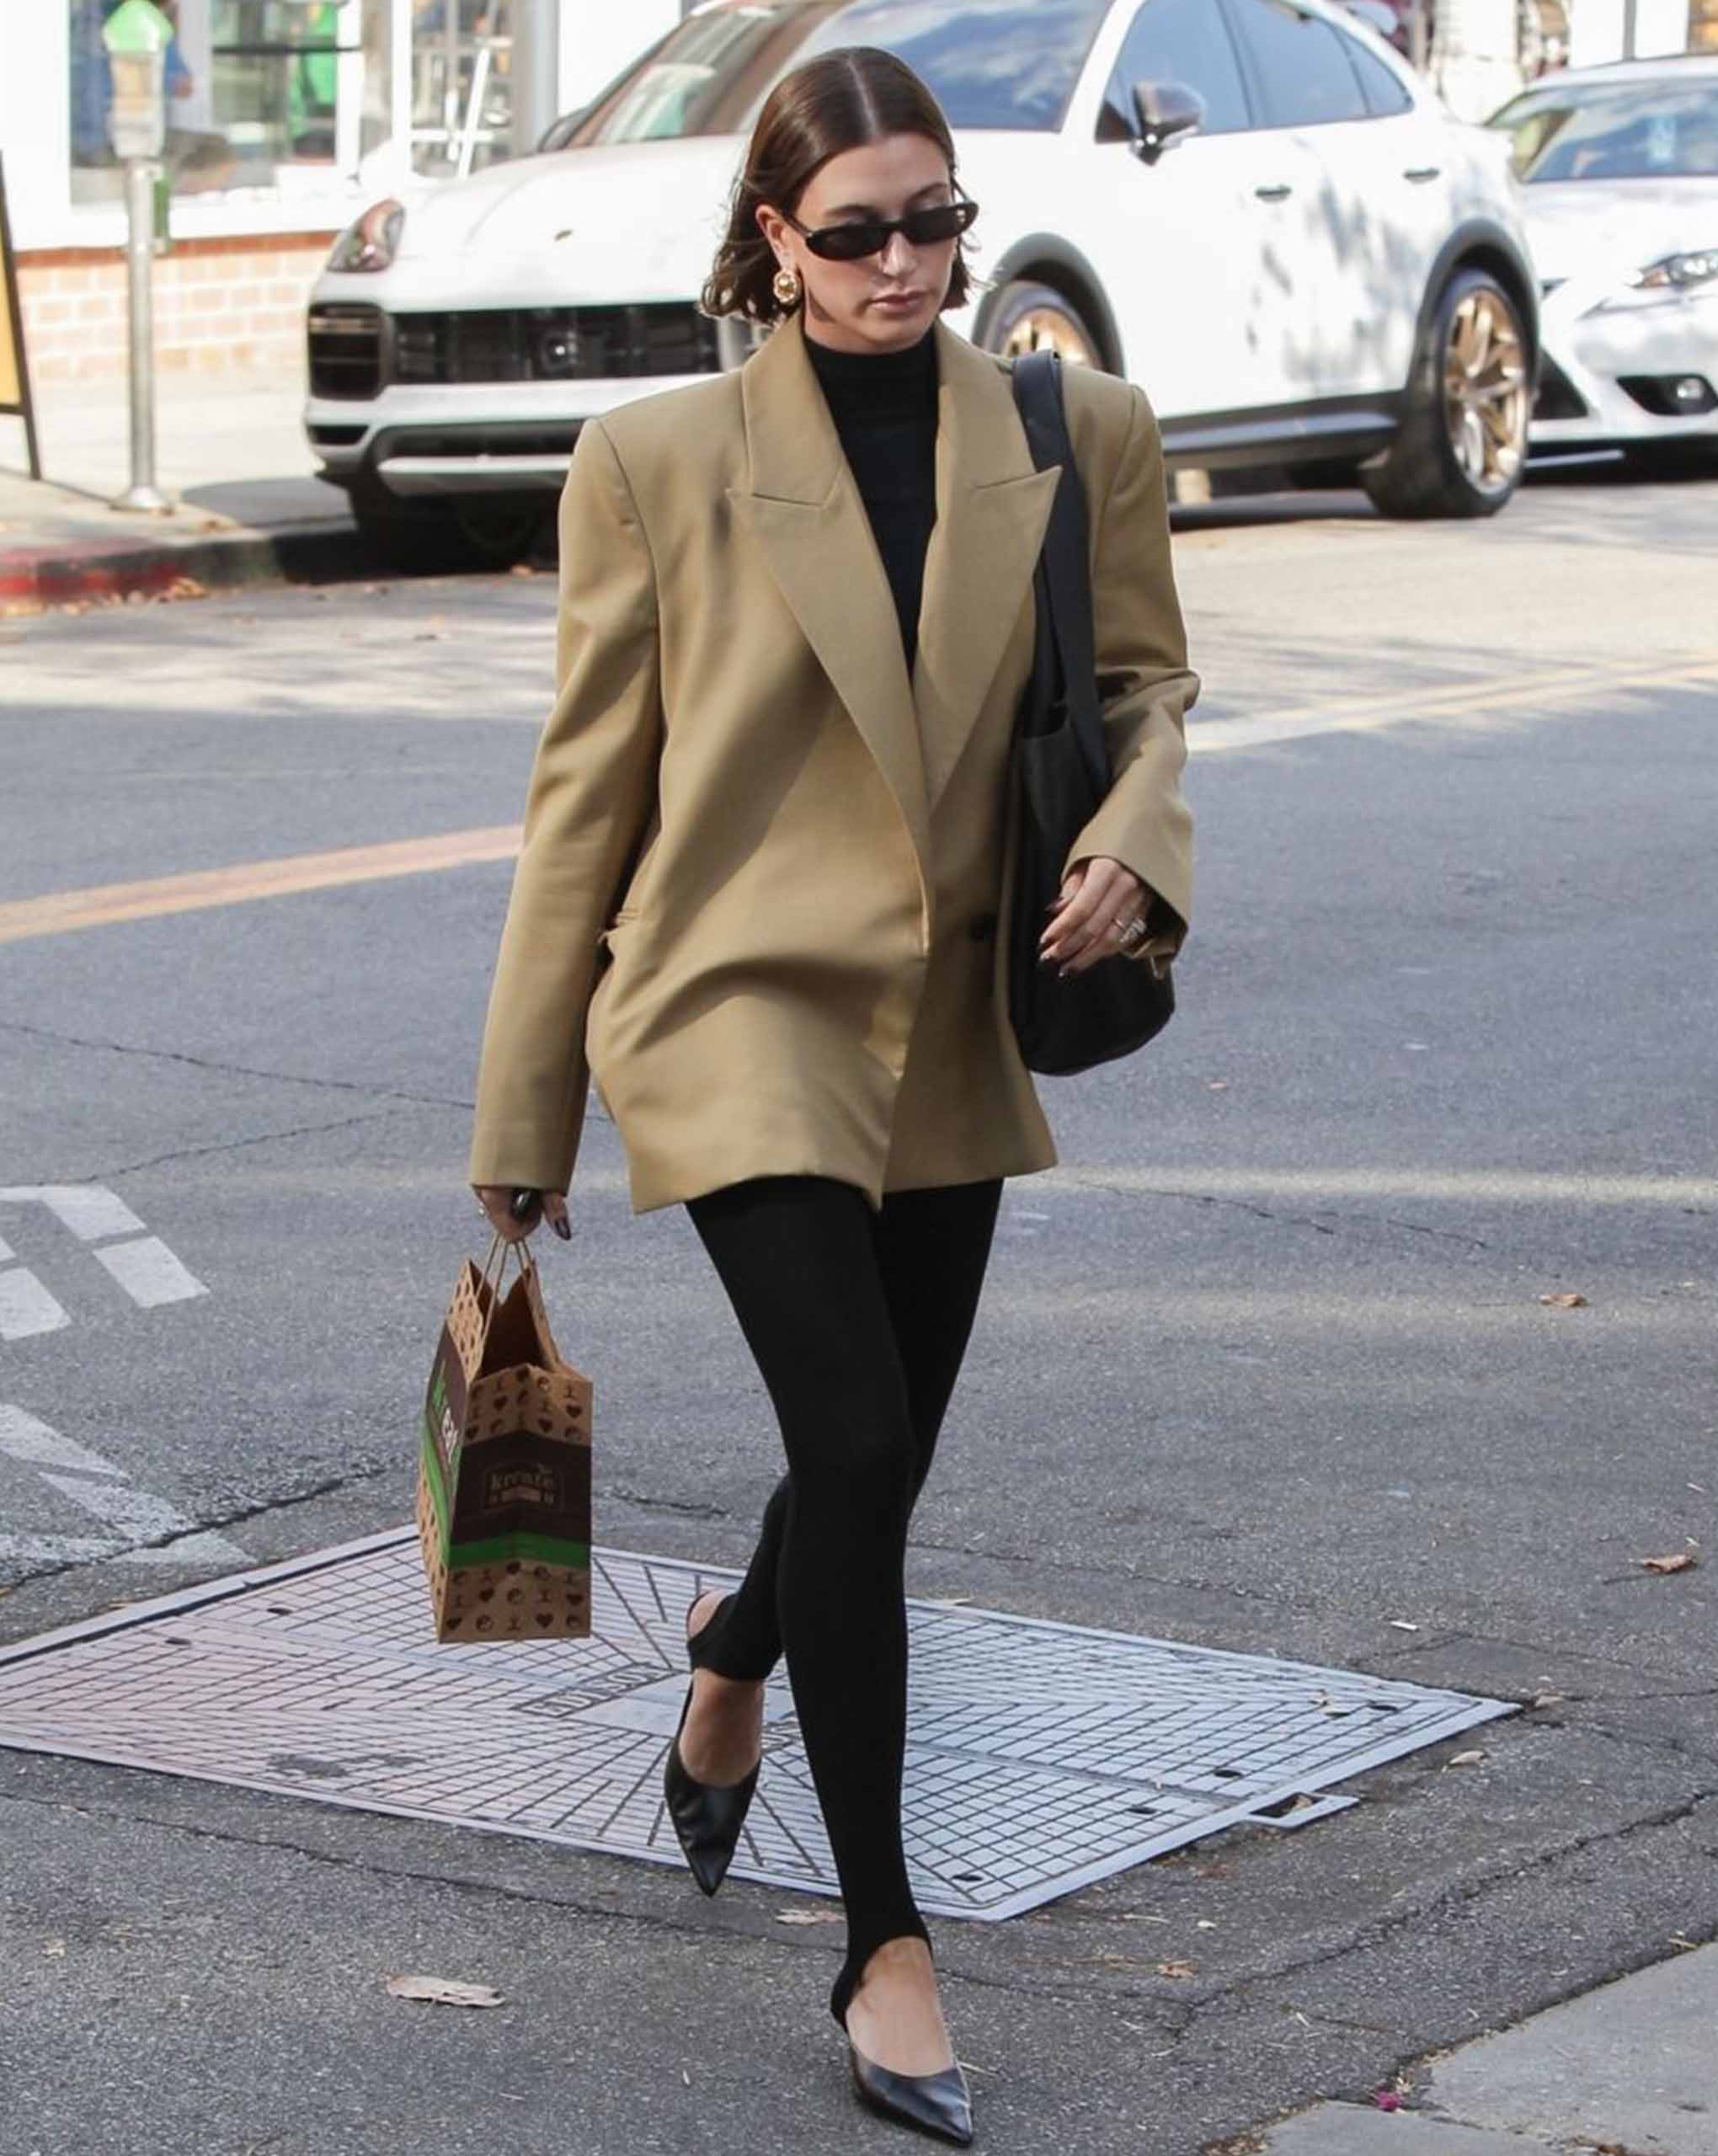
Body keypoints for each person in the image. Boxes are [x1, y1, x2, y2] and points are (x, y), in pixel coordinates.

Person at [468, 45, 1196, 2145]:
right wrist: (524, 1115)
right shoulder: (654, 458)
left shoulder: (1077, 431)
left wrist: (1142, 842)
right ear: (771, 241)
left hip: (958, 1009)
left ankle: (726, 1649)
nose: (906, 264)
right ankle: (884, 1936)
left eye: (936, 220)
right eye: (858, 228)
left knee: (874, 1466)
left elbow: (1145, 686)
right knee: (858, 1435)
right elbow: (585, 798)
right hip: (733, 1002)